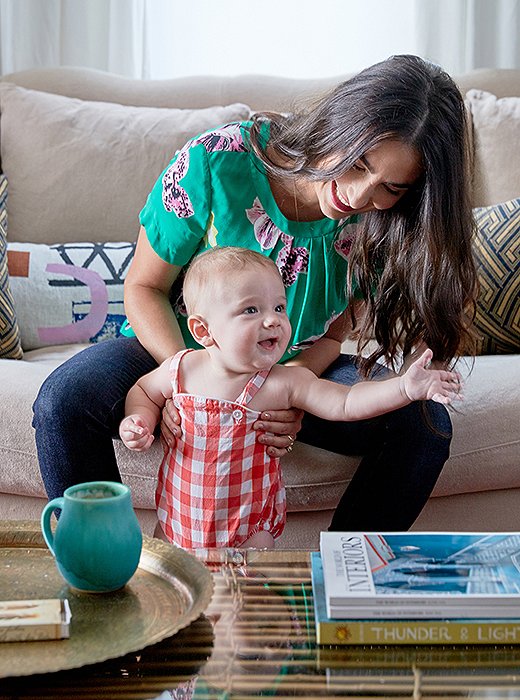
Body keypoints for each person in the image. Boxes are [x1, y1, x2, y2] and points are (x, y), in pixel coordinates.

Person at [33, 54, 477, 533]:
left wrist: (289, 394)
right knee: (65, 400)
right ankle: (105, 569)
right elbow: (143, 288)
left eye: (389, 187)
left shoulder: (383, 221)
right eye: (358, 161)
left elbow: (331, 336)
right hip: (176, 352)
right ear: (339, 123)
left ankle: (345, 577)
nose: (358, 195)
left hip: (285, 370)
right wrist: (192, 385)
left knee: (422, 425)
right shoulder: (215, 162)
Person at [119, 247, 462, 549]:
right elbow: (144, 392)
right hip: (176, 525)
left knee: (250, 608)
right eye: (251, 310)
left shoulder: (284, 382)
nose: (273, 320)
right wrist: (139, 420)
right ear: (203, 331)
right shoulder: (181, 369)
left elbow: (346, 402)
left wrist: (404, 388)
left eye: (279, 307)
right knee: (175, 602)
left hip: (248, 533)